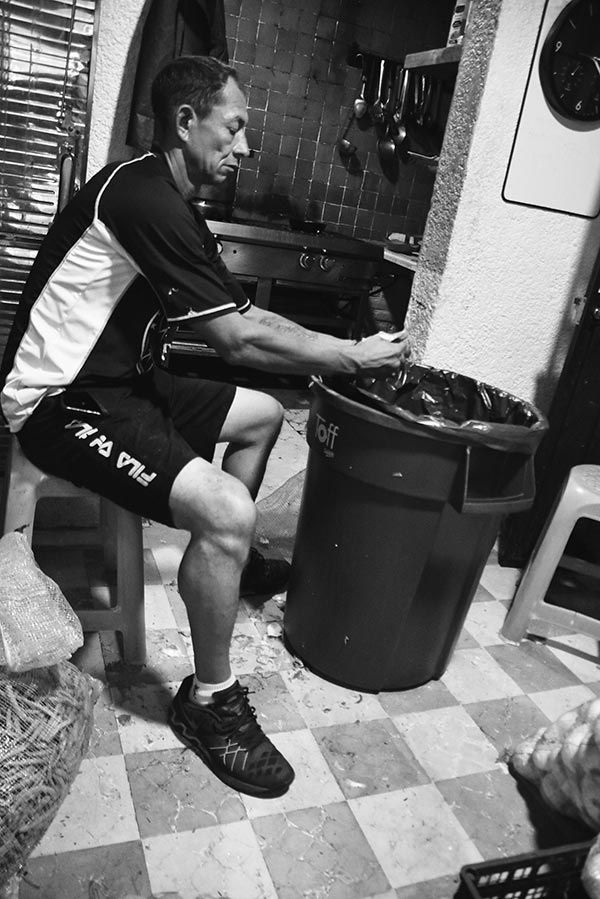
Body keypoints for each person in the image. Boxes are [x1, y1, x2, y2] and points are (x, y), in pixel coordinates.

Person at [0, 55, 411, 799]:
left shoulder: (169, 199)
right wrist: (349, 354)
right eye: (235, 126)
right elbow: (239, 338)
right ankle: (210, 701)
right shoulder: (143, 197)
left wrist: (317, 352)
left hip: (118, 380)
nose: (245, 145)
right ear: (186, 122)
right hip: (60, 399)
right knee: (227, 506)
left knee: (257, 416)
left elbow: (241, 319)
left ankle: (234, 562)